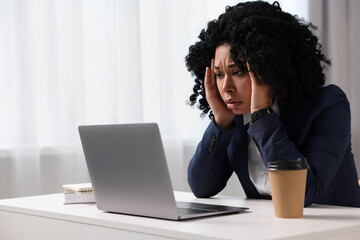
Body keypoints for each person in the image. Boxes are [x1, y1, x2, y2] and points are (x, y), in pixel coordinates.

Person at [185, 1, 360, 207]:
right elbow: (201, 186)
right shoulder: (236, 117)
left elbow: (303, 194)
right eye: (219, 75)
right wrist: (221, 122)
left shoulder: (328, 104)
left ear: (268, 66)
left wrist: (262, 116)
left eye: (238, 72)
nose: (226, 87)